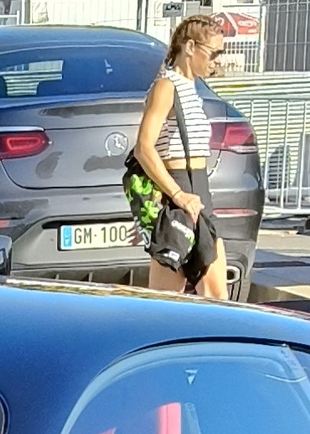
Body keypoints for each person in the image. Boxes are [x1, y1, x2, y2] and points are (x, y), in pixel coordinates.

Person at [128, 14, 231, 300]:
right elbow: (144, 147)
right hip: (178, 194)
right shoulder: (166, 86)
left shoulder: (190, 88)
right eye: (213, 53)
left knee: (216, 296)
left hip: (198, 193)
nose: (217, 61)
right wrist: (178, 195)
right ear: (189, 47)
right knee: (167, 300)